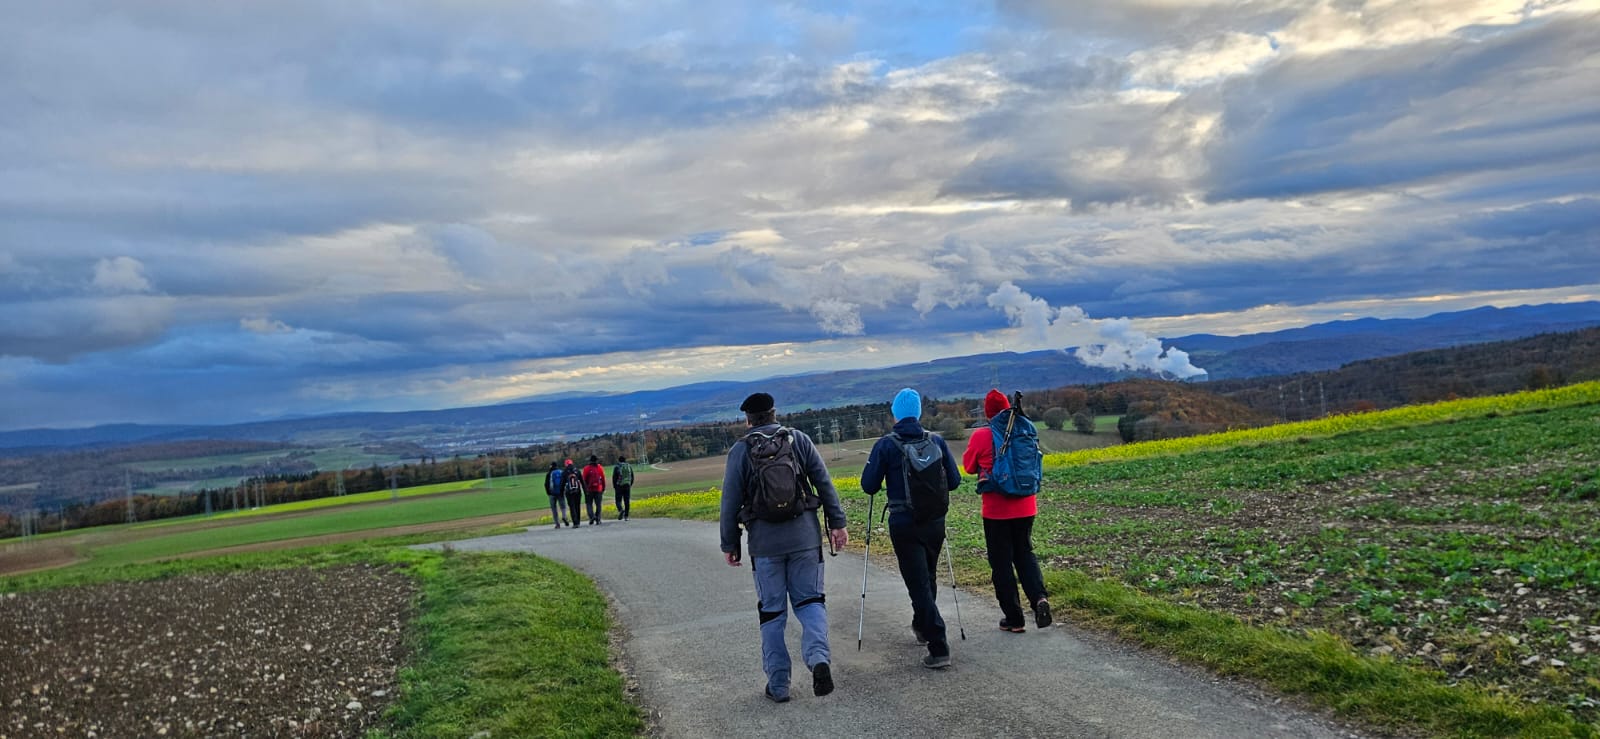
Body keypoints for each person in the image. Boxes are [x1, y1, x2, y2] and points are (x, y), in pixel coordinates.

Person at [720, 392, 849, 703]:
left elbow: (729, 502)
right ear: (774, 414)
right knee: (810, 602)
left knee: (772, 614)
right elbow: (823, 483)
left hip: (765, 545)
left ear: (747, 420)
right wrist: (837, 523)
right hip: (805, 538)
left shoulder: (740, 451)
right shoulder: (798, 440)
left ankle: (778, 685)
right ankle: (819, 660)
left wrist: (731, 544)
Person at [860, 387, 962, 669]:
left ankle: (938, 645)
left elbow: (868, 485)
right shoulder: (936, 441)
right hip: (935, 521)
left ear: (896, 413)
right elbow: (954, 482)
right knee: (926, 577)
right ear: (917, 413)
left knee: (917, 582)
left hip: (904, 522)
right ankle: (922, 626)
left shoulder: (886, 445)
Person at [963, 389, 1051, 632]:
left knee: (1001, 563)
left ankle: (1014, 618)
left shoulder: (982, 435)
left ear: (988, 412)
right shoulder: (1025, 428)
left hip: (996, 511)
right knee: (1024, 553)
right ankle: (1040, 599)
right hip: (1026, 504)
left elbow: (969, 467)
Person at [544, 460, 570, 528]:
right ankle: (564, 517)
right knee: (563, 506)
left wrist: (548, 493)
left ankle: (557, 524)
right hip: (560, 492)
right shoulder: (561, 472)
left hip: (552, 494)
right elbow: (564, 482)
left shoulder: (549, 473)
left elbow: (546, 484)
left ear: (551, 466)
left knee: (554, 508)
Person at [582, 454, 607, 525]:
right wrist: (603, 488)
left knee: (589, 504)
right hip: (598, 489)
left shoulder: (586, 468)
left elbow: (584, 480)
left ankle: (592, 516)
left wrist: (585, 489)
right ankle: (598, 518)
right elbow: (603, 479)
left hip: (589, 489)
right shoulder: (600, 467)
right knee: (598, 504)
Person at [561, 459, 583, 531]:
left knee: (572, 507)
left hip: (569, 492)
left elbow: (562, 483)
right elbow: (582, 481)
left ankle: (575, 522)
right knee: (577, 506)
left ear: (566, 464)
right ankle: (578, 522)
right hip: (577, 491)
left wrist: (561, 492)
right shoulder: (577, 470)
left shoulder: (564, 472)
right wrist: (586, 491)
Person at [612, 455, 634, 521]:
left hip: (619, 486)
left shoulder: (617, 467)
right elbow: (632, 476)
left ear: (619, 460)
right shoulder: (629, 466)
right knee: (627, 501)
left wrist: (615, 486)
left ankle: (621, 510)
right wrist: (630, 484)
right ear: (625, 460)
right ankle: (626, 516)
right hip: (627, 485)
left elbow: (614, 477)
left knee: (618, 500)